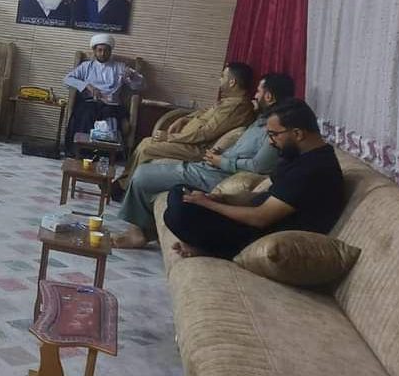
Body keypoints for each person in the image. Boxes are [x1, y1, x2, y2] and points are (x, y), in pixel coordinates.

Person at [113, 73, 296, 249]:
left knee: (143, 174)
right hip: (211, 165)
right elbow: (238, 145)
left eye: (259, 91)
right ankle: (144, 226)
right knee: (148, 166)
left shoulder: (274, 129)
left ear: (269, 97)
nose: (255, 95)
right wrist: (220, 152)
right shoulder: (260, 120)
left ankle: (137, 233)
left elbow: (259, 166)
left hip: (217, 173)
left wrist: (222, 161)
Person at [163, 98, 344, 260]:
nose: (271, 142)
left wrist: (208, 204)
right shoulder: (301, 157)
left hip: (255, 236)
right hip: (249, 224)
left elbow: (261, 217)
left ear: (297, 134)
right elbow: (268, 197)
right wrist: (221, 198)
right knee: (180, 191)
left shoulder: (313, 170)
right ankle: (200, 245)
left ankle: (210, 249)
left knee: (177, 214)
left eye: (274, 135)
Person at [114, 62, 257, 193]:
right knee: (145, 142)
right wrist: (184, 119)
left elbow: (206, 134)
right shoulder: (228, 101)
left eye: (222, 76)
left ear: (232, 82)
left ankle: (126, 188)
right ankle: (123, 182)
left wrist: (170, 137)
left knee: (147, 148)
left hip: (198, 148)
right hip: (188, 142)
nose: (219, 80)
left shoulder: (236, 107)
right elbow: (203, 113)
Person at [62, 33, 144, 154]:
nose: (102, 53)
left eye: (106, 50)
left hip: (112, 105)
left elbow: (138, 86)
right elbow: (67, 80)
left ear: (110, 51)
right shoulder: (86, 66)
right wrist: (87, 86)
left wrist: (133, 76)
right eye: (99, 50)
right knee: (86, 115)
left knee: (109, 119)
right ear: (94, 51)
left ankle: (105, 154)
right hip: (90, 103)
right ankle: (83, 152)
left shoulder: (120, 67)